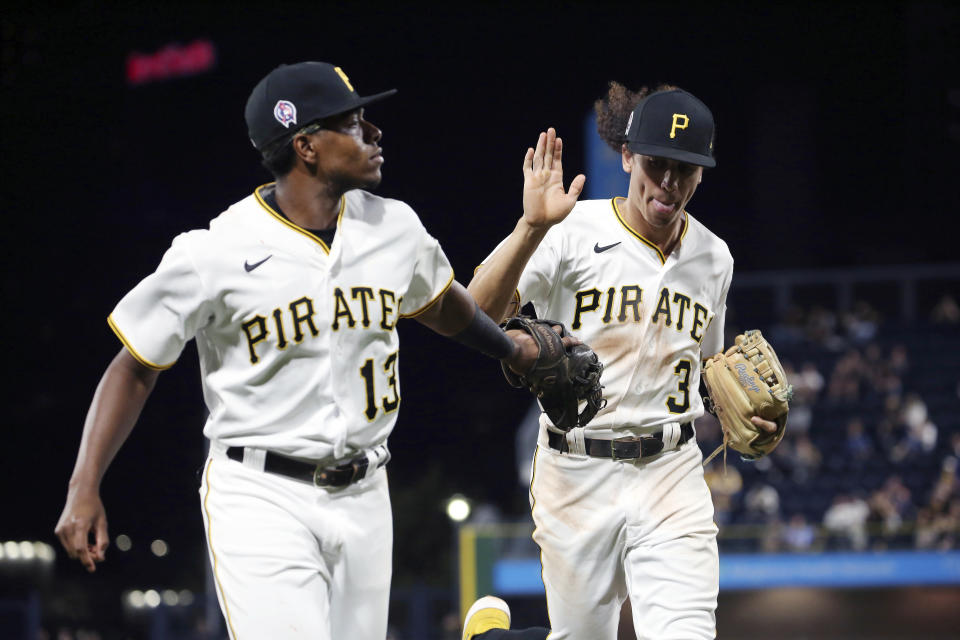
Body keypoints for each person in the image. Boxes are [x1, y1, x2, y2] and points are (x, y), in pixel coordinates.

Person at [54, 61, 549, 640]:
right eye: (354, 122)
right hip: (261, 493)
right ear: (306, 145)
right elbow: (134, 364)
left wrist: (510, 351)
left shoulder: (394, 228)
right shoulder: (216, 250)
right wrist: (84, 484)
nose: (374, 133)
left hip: (367, 492)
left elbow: (443, 305)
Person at [462, 84, 778, 639]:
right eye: (657, 164)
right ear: (627, 156)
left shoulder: (714, 257)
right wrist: (531, 227)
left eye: (686, 168)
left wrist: (745, 415)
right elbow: (476, 313)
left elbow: (711, 371)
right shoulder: (570, 231)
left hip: (671, 472)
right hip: (575, 472)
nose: (670, 183)